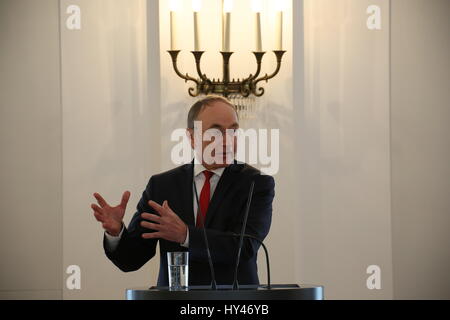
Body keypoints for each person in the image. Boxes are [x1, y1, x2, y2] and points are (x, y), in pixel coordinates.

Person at [91, 95, 275, 286]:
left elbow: (244, 247)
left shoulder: (256, 183)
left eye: (233, 131)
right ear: (192, 137)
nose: (227, 141)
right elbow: (131, 259)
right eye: (216, 132)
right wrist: (116, 233)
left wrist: (186, 235)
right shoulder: (161, 185)